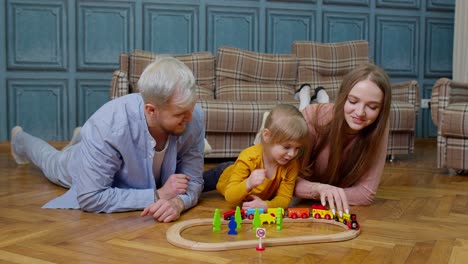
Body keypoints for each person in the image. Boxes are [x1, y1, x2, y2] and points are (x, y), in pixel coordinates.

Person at [10, 56, 205, 222]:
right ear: (151, 110)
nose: (189, 118)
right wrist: (157, 195)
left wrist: (179, 203)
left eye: (190, 109)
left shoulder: (192, 116)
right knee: (50, 161)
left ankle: (81, 141)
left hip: (101, 145)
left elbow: (195, 180)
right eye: (180, 113)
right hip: (81, 161)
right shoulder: (108, 125)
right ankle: (20, 140)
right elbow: (90, 197)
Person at [294, 62, 392, 217]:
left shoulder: (379, 126)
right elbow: (285, 181)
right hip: (309, 118)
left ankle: (312, 95)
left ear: (381, 110)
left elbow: (365, 194)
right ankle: (306, 95)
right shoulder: (312, 117)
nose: (360, 113)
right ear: (342, 98)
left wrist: (326, 192)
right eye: (353, 101)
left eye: (372, 107)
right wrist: (320, 189)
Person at [203, 104, 309, 211]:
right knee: (196, 183)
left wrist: (266, 206)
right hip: (223, 174)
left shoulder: (291, 164)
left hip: (244, 170)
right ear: (267, 136)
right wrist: (248, 183)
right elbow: (230, 197)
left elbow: (284, 199)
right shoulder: (248, 157)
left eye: (297, 148)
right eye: (286, 147)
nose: (292, 154)